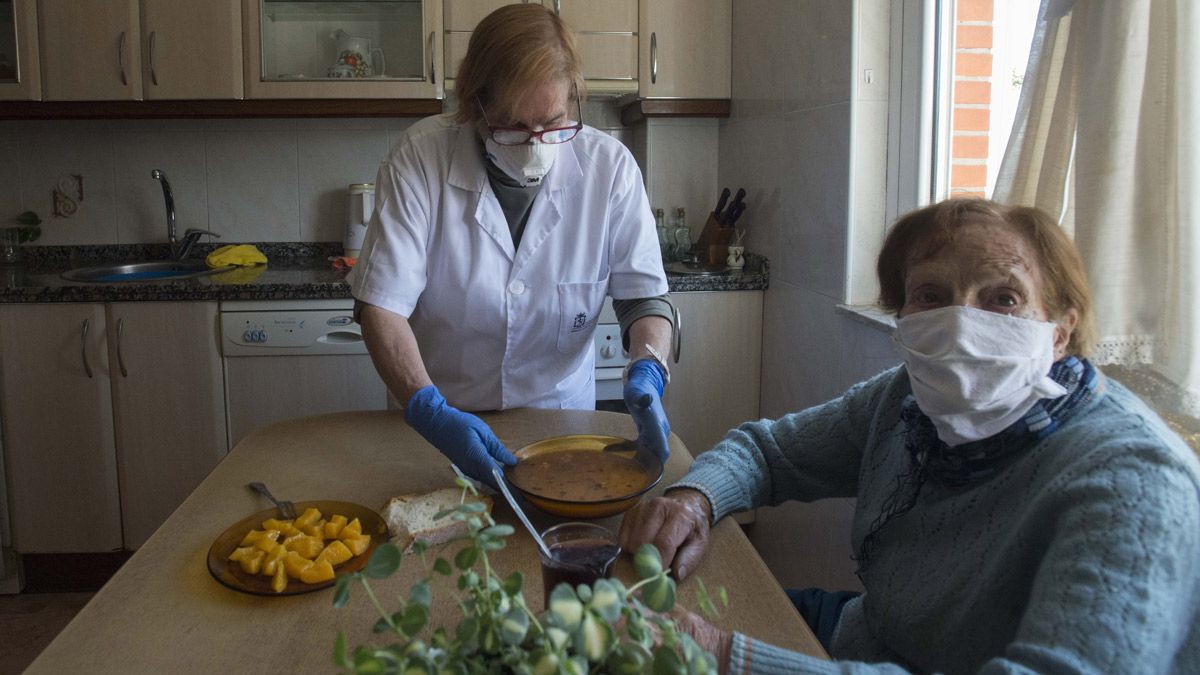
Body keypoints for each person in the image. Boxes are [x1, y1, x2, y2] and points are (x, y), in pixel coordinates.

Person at [620, 199, 1200, 674]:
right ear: (904, 318)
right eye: (931, 296)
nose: (962, 324)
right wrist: (694, 500)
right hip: (867, 635)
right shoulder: (905, 400)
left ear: (1060, 333)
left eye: (1003, 298)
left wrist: (731, 658)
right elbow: (767, 452)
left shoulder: (1133, 480)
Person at [348, 4, 675, 488]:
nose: (538, 143)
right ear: (475, 108)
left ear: (573, 98)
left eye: (554, 121)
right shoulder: (419, 158)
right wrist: (430, 410)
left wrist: (649, 366)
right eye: (514, 127)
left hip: (560, 426)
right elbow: (380, 306)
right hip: (442, 424)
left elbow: (644, 297)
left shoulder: (611, 169)